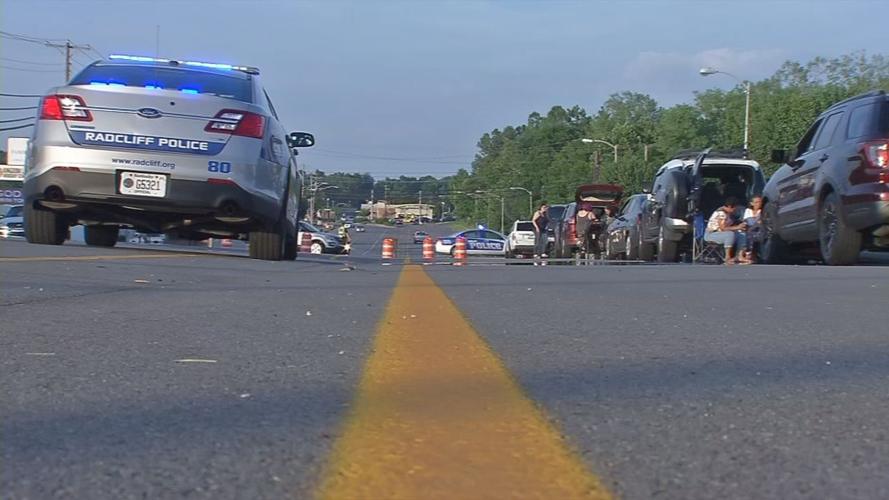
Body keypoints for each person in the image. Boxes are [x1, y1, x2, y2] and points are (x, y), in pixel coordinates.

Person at [704, 196, 750, 264]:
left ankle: (739, 255)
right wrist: (737, 227)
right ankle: (727, 256)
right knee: (730, 234)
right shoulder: (721, 213)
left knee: (742, 234)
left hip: (722, 233)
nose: (735, 210)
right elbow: (723, 228)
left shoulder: (728, 214)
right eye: (734, 208)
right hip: (712, 234)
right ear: (729, 206)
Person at [743, 196, 764, 261]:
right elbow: (747, 221)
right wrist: (757, 221)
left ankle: (751, 254)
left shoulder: (762, 211)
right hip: (750, 230)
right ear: (752, 203)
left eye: (760, 202)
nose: (759, 204)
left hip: (759, 230)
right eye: (756, 202)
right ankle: (749, 253)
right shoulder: (748, 210)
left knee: (753, 231)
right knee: (749, 232)